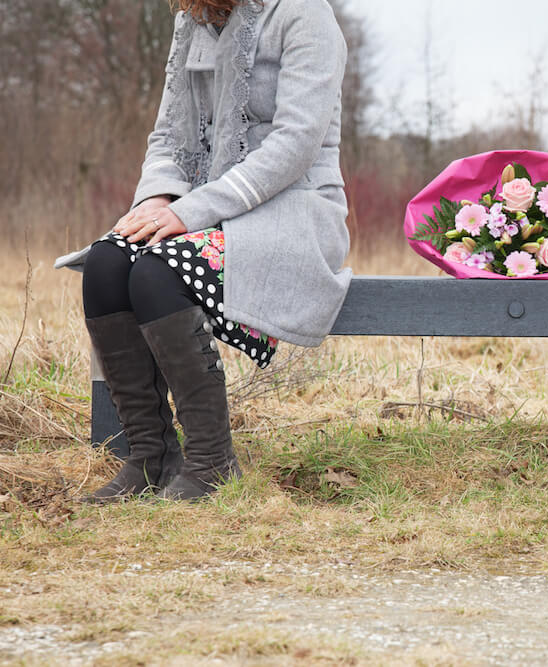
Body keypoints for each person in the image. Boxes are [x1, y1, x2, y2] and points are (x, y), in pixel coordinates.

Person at [56, 0, 352, 501]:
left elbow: (296, 144)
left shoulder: (305, 14)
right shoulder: (192, 19)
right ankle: (150, 458)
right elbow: (169, 135)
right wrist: (154, 202)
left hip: (291, 213)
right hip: (201, 209)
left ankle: (213, 463)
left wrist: (191, 212)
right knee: (108, 262)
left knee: (157, 271)